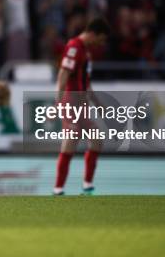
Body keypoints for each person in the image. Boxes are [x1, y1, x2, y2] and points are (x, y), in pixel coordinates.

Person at [53, 18, 110, 196]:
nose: (101, 44)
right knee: (70, 142)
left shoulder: (86, 52)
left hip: (82, 104)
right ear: (93, 34)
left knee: (97, 140)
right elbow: (63, 74)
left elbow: (86, 83)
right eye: (100, 39)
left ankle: (87, 186)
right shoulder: (74, 47)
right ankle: (58, 189)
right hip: (71, 102)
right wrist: (57, 103)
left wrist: (98, 105)